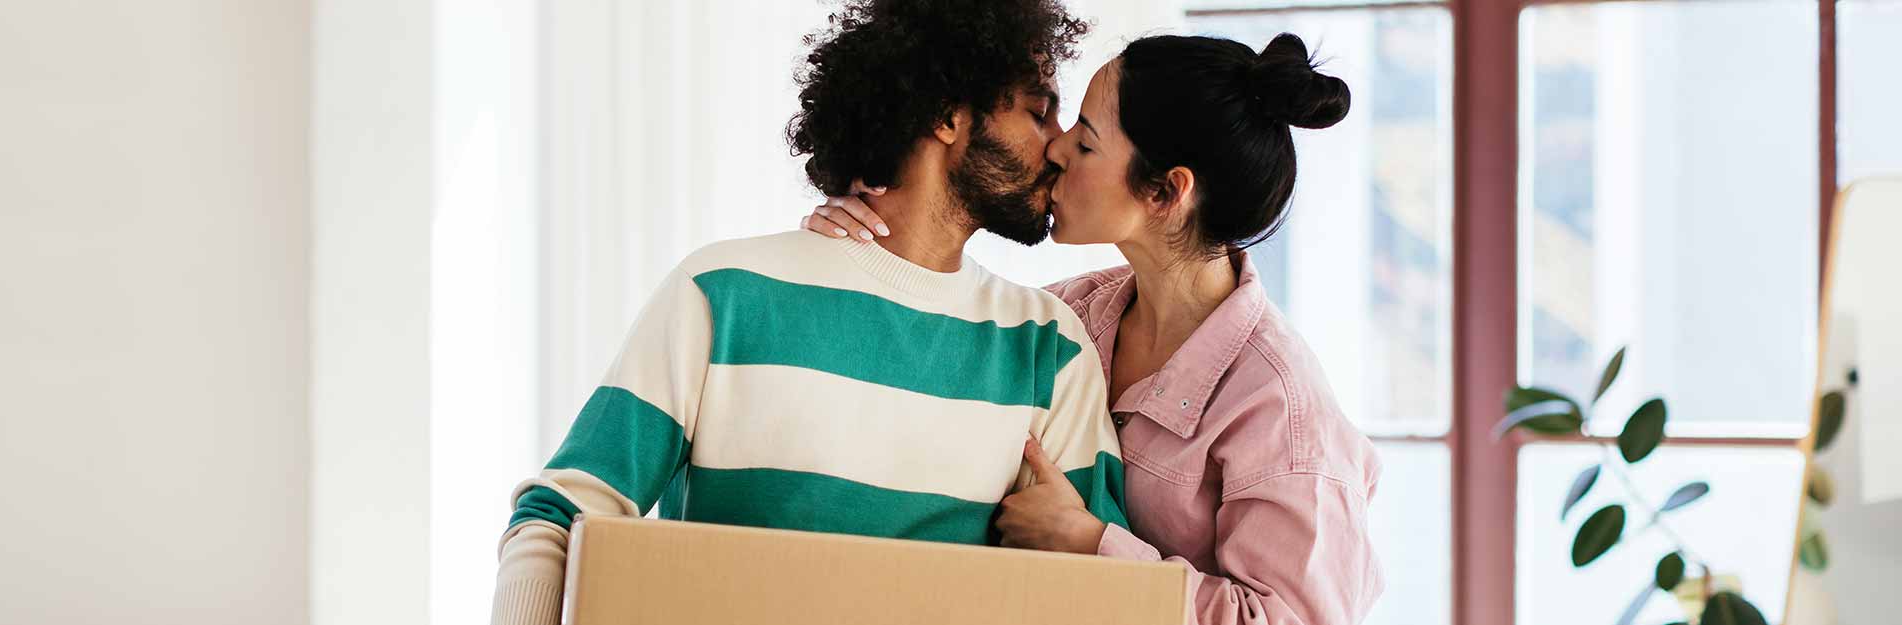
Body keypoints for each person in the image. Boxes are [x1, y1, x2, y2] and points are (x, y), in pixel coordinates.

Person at [488, 2, 1130, 624]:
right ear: (945, 115)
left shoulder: (1051, 344)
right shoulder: (726, 292)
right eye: (1039, 112)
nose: (1056, 147)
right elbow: (561, 515)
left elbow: (1109, 591)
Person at [804, 32, 1385, 625]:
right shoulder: (1073, 314)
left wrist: (1093, 543)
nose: (1056, 150)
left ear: (1165, 191)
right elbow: (938, 354)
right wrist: (866, 238)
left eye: (1085, 141)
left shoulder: (1282, 409)